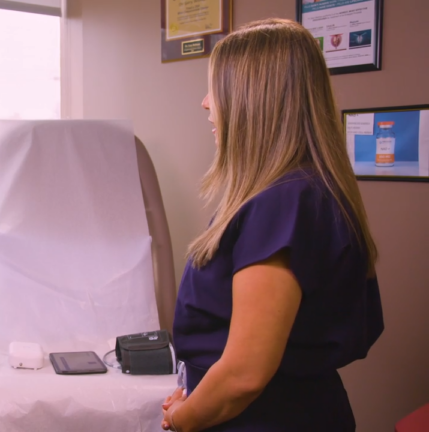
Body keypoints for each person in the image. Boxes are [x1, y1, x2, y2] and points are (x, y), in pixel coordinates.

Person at [161, 19, 384, 432]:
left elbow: (244, 375)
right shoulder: (305, 193)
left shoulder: (282, 204)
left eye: (217, 88)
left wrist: (182, 419)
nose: (206, 102)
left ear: (253, 99)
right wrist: (198, 394)